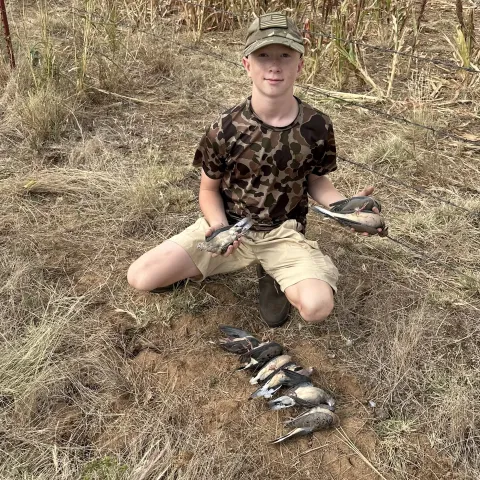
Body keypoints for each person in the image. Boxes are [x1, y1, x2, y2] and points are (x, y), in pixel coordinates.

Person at [127, 13, 384, 327]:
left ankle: (274, 272)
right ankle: (229, 262)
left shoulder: (317, 125)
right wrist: (219, 227)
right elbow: (208, 190)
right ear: (247, 64)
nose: (274, 65)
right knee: (141, 277)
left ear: (300, 64)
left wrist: (345, 208)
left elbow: (317, 182)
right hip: (233, 228)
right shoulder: (225, 128)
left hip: (283, 233)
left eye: (285, 55)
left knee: (317, 308)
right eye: (263, 56)